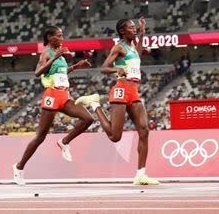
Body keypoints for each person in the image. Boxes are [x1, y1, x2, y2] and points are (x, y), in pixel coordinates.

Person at [12, 26, 100, 185]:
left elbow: (61, 73)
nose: (62, 38)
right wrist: (54, 57)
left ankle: (64, 142)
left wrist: (77, 66)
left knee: (88, 119)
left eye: (62, 35)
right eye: (59, 36)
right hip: (52, 97)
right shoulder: (47, 53)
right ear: (50, 37)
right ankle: (19, 167)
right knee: (40, 136)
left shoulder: (61, 56)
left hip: (64, 96)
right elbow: (38, 73)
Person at [92, 18, 160, 186]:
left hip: (134, 92)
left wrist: (142, 32)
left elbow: (138, 52)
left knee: (144, 131)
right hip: (121, 90)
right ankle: (95, 105)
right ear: (123, 31)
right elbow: (103, 68)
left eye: (134, 27)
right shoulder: (119, 47)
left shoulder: (133, 48)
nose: (134, 29)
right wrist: (117, 69)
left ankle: (140, 175)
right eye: (131, 27)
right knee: (115, 136)